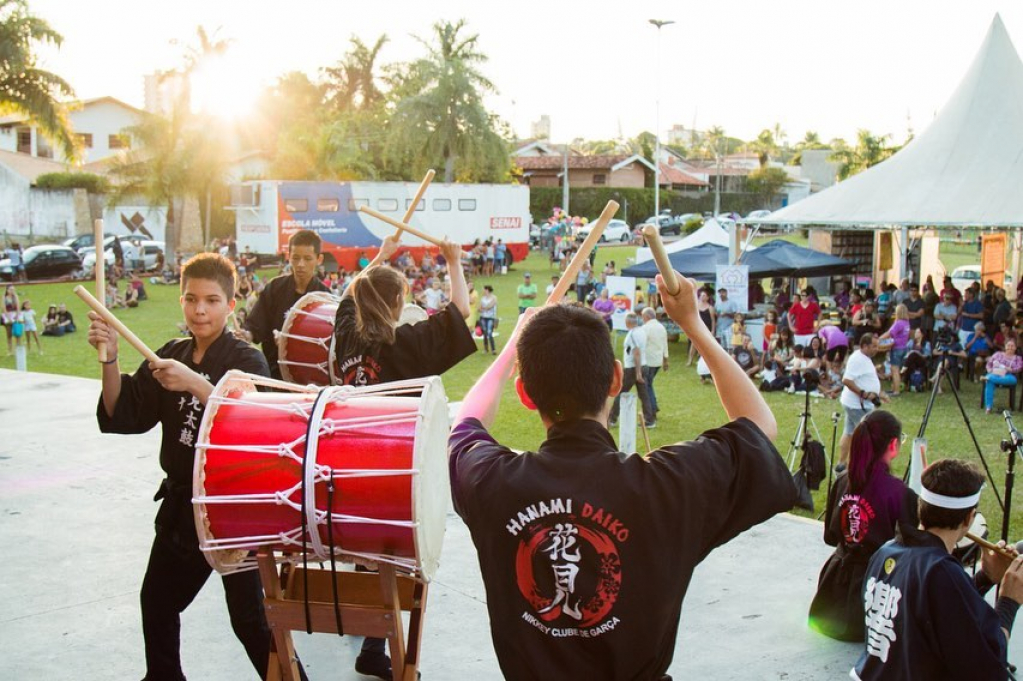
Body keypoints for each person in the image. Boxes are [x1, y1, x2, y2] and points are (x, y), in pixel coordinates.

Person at [448, 273, 796, 681]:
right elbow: (759, 425)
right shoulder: (670, 484)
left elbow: (464, 423)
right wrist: (692, 322)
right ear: (616, 378)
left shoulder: (491, 481)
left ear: (525, 394)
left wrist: (513, 346)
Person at [87, 253, 287, 681]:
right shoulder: (171, 355)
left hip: (234, 510)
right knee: (156, 602)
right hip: (184, 508)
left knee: (250, 621)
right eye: (191, 299)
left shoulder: (247, 361)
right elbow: (122, 412)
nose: (200, 310)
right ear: (181, 301)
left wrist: (196, 384)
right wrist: (110, 360)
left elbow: (257, 427)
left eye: (212, 300)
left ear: (231, 305)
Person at [332, 235, 475, 677]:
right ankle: (375, 647)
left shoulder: (346, 336)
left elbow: (348, 295)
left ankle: (363, 619)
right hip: (391, 465)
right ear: (397, 303)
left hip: (345, 457)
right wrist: (452, 261)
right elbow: (461, 312)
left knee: (361, 544)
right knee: (390, 554)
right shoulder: (407, 343)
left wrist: (381, 256)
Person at [851, 459, 1023, 680]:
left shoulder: (886, 552)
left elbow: (940, 613)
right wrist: (1009, 601)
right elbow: (988, 665)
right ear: (969, 518)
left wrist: (986, 577)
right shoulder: (939, 570)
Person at [809, 411, 917, 642]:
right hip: (875, 598)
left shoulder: (842, 481)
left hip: (831, 597)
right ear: (893, 444)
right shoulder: (899, 492)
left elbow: (830, 536)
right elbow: (912, 549)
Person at [241, 230, 330, 380]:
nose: (301, 264)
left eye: (308, 258)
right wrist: (247, 334)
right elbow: (256, 322)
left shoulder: (325, 297)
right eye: (296, 258)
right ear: (289, 257)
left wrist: (290, 342)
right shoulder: (275, 288)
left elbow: (329, 342)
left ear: (319, 259)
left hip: (311, 375)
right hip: (274, 371)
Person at [839, 334, 887, 466]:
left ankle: (841, 465)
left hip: (854, 404)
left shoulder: (864, 357)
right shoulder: (858, 359)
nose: (876, 349)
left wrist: (878, 393)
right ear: (864, 346)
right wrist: (864, 394)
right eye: (874, 346)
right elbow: (846, 380)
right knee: (867, 437)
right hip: (857, 406)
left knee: (849, 433)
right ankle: (860, 466)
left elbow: (863, 379)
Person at [609, 311, 656, 429]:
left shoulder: (632, 334)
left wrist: (638, 372)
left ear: (627, 322)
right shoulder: (641, 331)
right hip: (644, 365)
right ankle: (650, 420)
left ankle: (612, 419)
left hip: (633, 369)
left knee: (620, 392)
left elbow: (636, 353)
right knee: (643, 394)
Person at [641, 306, 669, 416]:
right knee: (649, 384)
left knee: (646, 386)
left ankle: (651, 409)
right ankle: (653, 406)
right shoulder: (661, 327)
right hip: (657, 361)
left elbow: (641, 344)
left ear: (646, 316)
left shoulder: (645, 328)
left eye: (643, 317)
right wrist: (666, 360)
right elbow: (665, 345)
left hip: (648, 361)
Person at [982, 339, 1023, 414]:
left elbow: (1018, 368)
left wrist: (1007, 368)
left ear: (1015, 348)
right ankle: (988, 407)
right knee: (990, 382)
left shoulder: (1018, 358)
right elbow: (989, 364)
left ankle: (989, 378)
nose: (1010, 347)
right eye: (1008, 345)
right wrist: (989, 370)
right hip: (995, 373)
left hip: (1008, 375)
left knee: (1012, 380)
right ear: (1005, 346)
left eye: (1012, 346)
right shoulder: (998, 354)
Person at [879, 304, 910, 396]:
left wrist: (878, 340)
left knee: (894, 370)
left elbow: (889, 333)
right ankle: (895, 388)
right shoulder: (906, 323)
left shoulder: (898, 323)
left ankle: (896, 391)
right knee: (897, 369)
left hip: (896, 348)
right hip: (903, 347)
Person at [689, 289, 716, 366]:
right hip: (697, 327)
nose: (702, 297)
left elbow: (713, 320)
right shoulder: (696, 305)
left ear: (707, 297)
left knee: (705, 345)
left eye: (704, 295)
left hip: (707, 328)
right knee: (694, 343)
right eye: (701, 295)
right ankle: (690, 359)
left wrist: (713, 330)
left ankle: (704, 361)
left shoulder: (710, 307)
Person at [479, 284, 498, 355]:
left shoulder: (494, 298)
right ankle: (486, 349)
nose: (482, 291)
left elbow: (490, 306)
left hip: (490, 318)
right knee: (485, 333)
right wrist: (483, 308)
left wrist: (483, 308)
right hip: (483, 317)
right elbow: (479, 308)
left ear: (487, 290)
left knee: (490, 333)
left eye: (483, 289)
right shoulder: (482, 298)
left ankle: (493, 349)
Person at [3, 284, 19, 354]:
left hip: (15, 315)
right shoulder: (4, 297)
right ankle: (10, 350)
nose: (12, 291)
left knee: (17, 332)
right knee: (9, 334)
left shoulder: (15, 297)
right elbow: (3, 308)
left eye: (13, 289)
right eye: (11, 289)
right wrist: (8, 317)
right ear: (7, 290)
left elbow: (18, 306)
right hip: (7, 316)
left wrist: (17, 315)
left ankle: (18, 349)